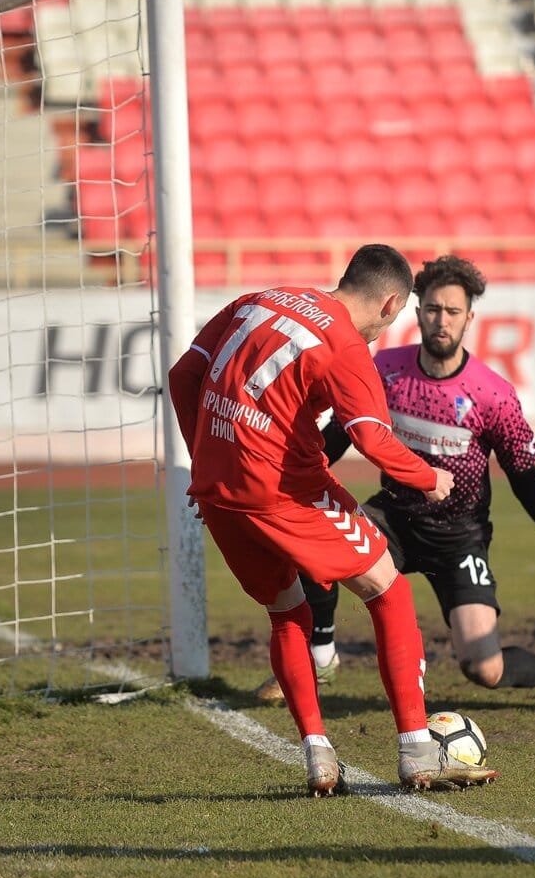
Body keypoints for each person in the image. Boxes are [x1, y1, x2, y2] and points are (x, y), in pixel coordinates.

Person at [167, 244, 494, 796]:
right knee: (387, 589)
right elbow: (371, 438)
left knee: (286, 611)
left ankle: (318, 754)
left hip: (219, 489)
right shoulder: (345, 346)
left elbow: (183, 377)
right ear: (392, 304)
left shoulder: (260, 299)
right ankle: (417, 750)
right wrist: (428, 478)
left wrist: (206, 463)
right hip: (283, 491)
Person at [254, 255, 535, 710]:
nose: (440, 320)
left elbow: (523, 475)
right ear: (415, 311)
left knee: (484, 669)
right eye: (431, 309)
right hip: (392, 517)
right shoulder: (384, 370)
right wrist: (288, 487)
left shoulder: (492, 394)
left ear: (469, 318)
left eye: (451, 311)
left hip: (459, 538)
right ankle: (321, 656)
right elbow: (337, 436)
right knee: (318, 541)